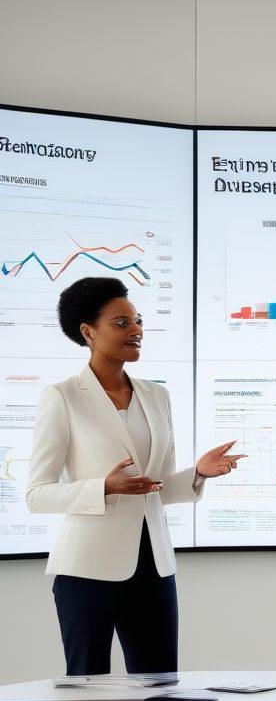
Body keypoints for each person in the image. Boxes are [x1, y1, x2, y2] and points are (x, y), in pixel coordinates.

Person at [26, 277, 243, 675]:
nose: (137, 330)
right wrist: (102, 488)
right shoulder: (62, 397)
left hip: (154, 567)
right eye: (122, 323)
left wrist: (198, 473)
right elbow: (37, 494)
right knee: (88, 691)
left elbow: (154, 488)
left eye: (138, 320)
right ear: (88, 332)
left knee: (160, 689)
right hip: (86, 569)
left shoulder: (156, 396)